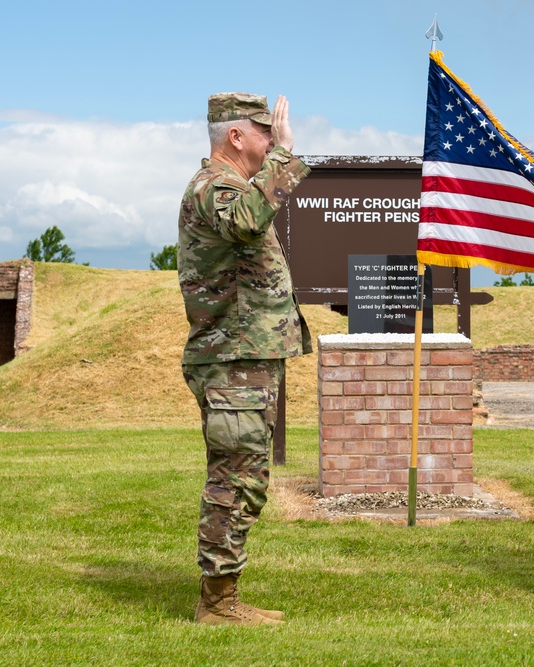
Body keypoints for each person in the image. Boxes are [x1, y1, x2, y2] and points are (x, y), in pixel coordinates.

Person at [178, 92, 312, 626]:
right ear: (237, 136)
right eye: (265, 132)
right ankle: (217, 604)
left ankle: (223, 596)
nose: (273, 140)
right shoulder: (213, 186)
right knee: (236, 477)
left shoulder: (228, 186)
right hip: (232, 356)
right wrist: (285, 156)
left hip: (245, 354)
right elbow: (247, 221)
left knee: (244, 474)